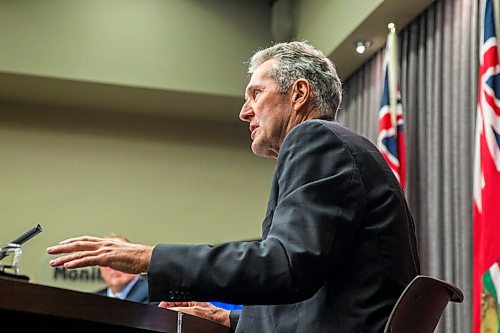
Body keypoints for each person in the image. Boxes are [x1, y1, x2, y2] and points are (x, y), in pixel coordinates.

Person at [47, 41, 420, 332]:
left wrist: (149, 258)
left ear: (299, 93)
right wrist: (230, 321)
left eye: (256, 93)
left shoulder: (315, 139)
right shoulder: (335, 147)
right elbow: (316, 296)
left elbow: (285, 267)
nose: (244, 111)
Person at [95, 234, 150, 304]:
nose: (115, 266)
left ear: (134, 260)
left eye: (121, 259)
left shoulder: (155, 295)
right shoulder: (92, 301)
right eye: (108, 260)